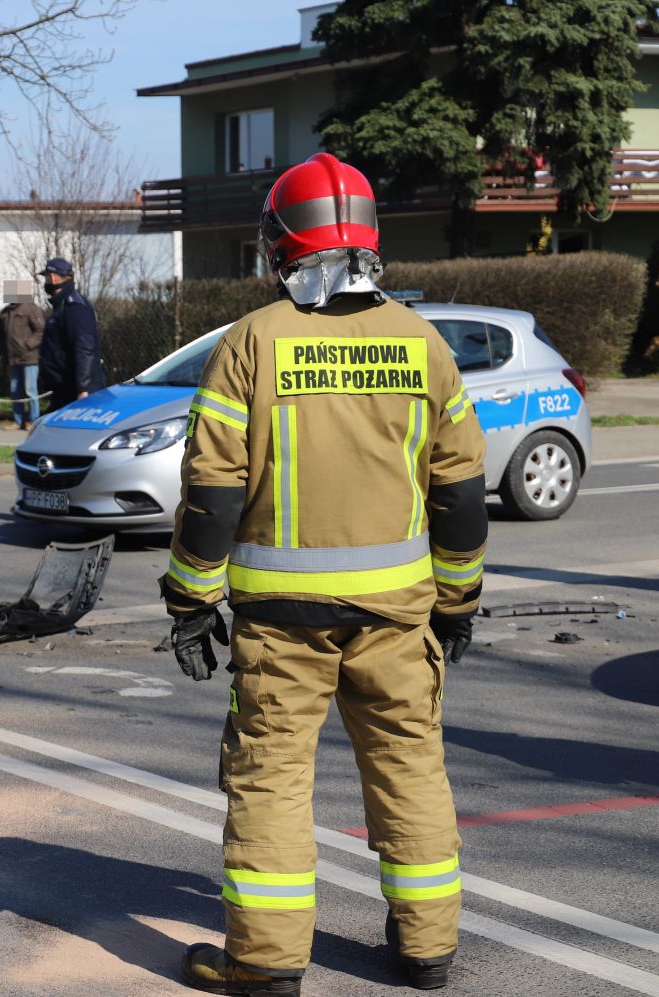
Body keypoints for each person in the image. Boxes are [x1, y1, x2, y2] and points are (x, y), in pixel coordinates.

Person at [162, 152, 488, 994]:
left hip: (281, 622)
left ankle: (266, 964)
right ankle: (427, 951)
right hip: (399, 617)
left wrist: (191, 600)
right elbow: (458, 495)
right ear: (370, 241)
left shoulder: (253, 344)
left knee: (270, 779)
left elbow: (211, 494)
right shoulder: (423, 347)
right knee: (410, 766)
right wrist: (458, 602)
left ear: (282, 245)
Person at [37, 257, 105, 411]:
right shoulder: (61, 306)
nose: (46, 282)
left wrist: (83, 389)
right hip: (63, 388)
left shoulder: (74, 307)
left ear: (53, 277)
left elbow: (84, 348)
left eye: (46, 277)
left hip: (75, 391)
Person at [0, 278, 45, 430]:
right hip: (13, 359)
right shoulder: (5, 312)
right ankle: (18, 421)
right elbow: (1, 336)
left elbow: (41, 331)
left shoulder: (31, 308)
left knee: (31, 391)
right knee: (15, 391)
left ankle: (34, 420)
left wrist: (27, 345)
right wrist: (2, 354)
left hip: (29, 358)